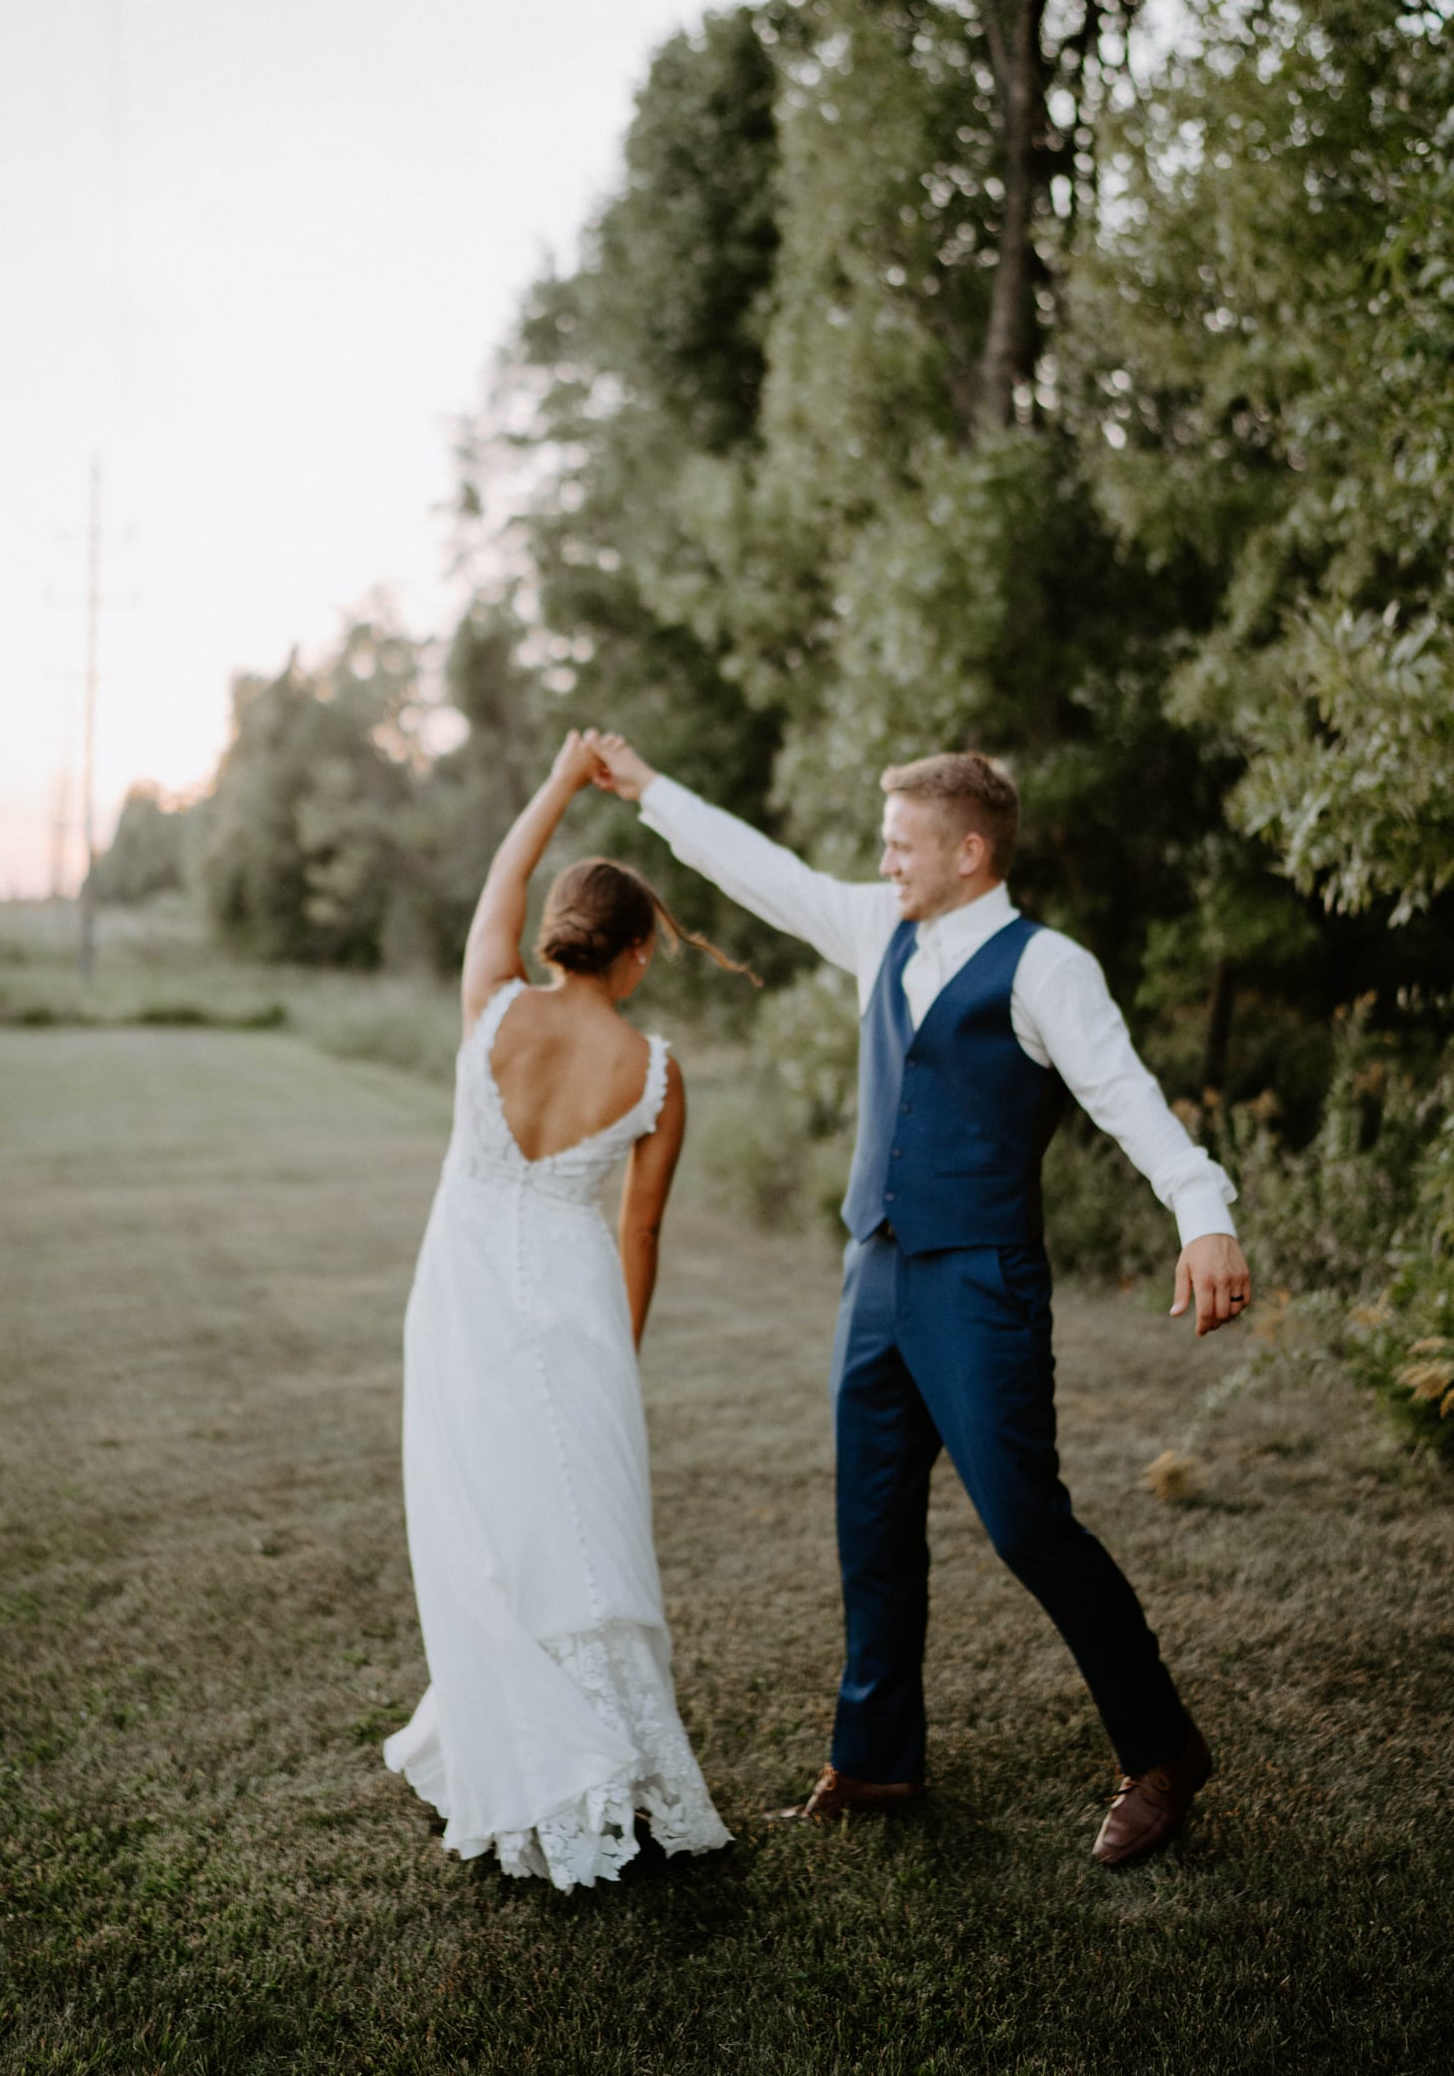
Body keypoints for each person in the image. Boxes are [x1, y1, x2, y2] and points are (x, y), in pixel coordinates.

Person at [589, 732, 1253, 1869]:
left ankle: (1162, 1750)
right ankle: (876, 1758)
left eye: (903, 844)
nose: (885, 860)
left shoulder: (1047, 968)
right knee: (872, 1518)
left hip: (980, 1279)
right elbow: (764, 872)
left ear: (970, 850)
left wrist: (1203, 1211)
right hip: (875, 1273)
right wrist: (648, 789)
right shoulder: (876, 926)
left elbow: (1126, 1095)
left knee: (1026, 1522)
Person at [383, 730, 735, 1889]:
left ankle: (546, 1765)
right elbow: (641, 1232)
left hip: (463, 1302)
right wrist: (615, 1353)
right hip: (581, 1310)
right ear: (632, 954)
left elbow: (504, 872)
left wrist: (556, 780)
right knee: (589, 1531)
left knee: (489, 1529)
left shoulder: (492, 1004)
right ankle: (608, 1770)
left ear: (554, 931)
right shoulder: (655, 1070)